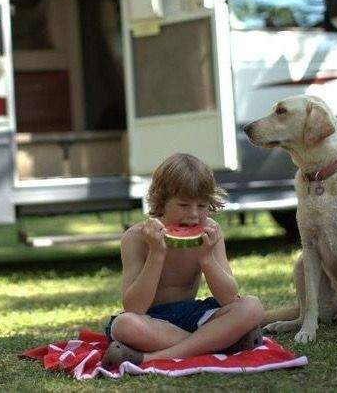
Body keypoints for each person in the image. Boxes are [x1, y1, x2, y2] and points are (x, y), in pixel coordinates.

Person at [101, 153, 265, 369]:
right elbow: (134, 307)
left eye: (202, 206)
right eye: (184, 205)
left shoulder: (211, 232)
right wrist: (156, 254)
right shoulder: (135, 238)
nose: (194, 215)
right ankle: (223, 342)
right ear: (161, 202)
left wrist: (207, 258)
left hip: (194, 315)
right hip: (152, 321)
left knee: (252, 306)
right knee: (124, 325)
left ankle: (150, 358)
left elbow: (229, 298)